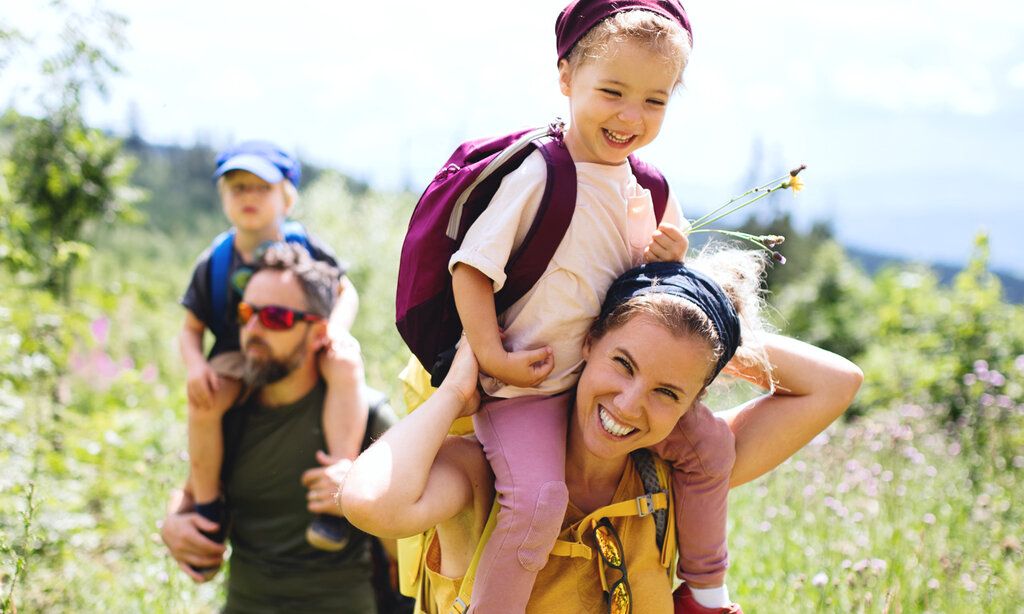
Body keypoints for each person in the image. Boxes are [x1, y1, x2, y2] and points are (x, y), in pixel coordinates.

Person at [343, 251, 864, 613]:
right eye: (624, 363)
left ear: (691, 403)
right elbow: (369, 502)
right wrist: (456, 391)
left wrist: (706, 328)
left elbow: (837, 383)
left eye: (668, 392)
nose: (630, 404)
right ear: (587, 341)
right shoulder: (485, 472)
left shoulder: (674, 480)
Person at [444, 0, 739, 610]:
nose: (631, 116)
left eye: (655, 101)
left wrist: (671, 254)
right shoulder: (540, 173)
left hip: (605, 382)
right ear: (565, 78)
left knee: (709, 445)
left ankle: (705, 593)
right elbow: (471, 268)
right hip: (531, 388)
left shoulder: (648, 186)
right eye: (612, 91)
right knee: (536, 500)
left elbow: (658, 294)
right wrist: (493, 358)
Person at [163, 243, 404, 612]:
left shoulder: (368, 418)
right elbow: (190, 492)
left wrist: (366, 502)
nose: (253, 329)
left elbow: (414, 555)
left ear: (318, 332)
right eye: (247, 313)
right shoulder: (226, 413)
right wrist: (173, 525)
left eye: (275, 317)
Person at [179, 140, 366, 558]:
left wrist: (335, 328)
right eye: (236, 187)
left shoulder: (307, 246)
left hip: (303, 341)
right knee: (204, 403)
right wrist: (195, 366)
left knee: (346, 363)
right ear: (223, 197)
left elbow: (344, 290)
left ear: (287, 197)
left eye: (261, 187)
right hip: (236, 351)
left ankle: (336, 487)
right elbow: (190, 329)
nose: (248, 197)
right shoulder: (215, 261)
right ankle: (208, 508)